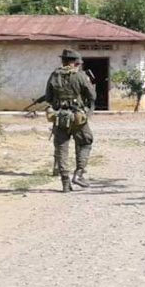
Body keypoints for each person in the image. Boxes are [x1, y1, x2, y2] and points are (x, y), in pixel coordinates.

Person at [44, 49, 96, 193]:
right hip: (77, 118)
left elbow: (48, 98)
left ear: (63, 61)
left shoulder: (54, 76)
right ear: (76, 63)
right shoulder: (80, 76)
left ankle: (65, 184)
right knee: (86, 142)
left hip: (59, 117)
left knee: (61, 148)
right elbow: (92, 96)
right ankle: (79, 173)